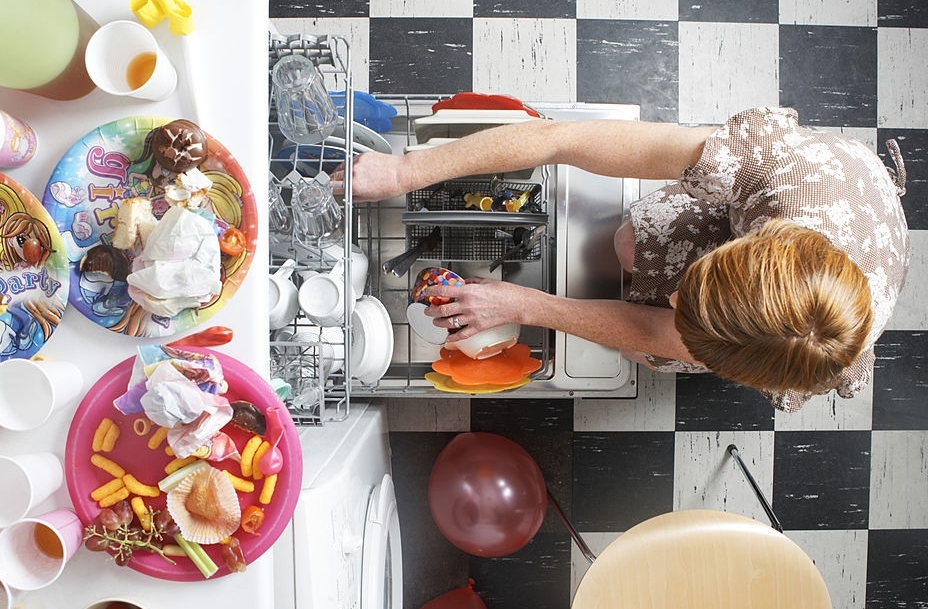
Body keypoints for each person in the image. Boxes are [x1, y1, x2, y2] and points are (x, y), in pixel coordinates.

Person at [338, 107, 909, 411]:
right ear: (748, 243)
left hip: (839, 263)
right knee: (629, 244)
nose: (676, 298)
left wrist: (522, 302)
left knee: (638, 346)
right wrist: (405, 171)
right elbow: (559, 138)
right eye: (696, 288)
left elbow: (658, 331)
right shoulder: (773, 171)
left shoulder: (807, 354)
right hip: (817, 194)